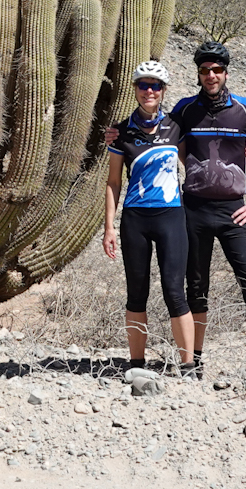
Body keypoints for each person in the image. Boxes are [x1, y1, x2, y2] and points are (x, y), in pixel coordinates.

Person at [169, 40, 246, 382]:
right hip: (194, 211)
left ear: (226, 72)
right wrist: (118, 132)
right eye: (204, 70)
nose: (210, 75)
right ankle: (194, 364)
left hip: (235, 212)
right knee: (196, 287)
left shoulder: (245, 109)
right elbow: (160, 136)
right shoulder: (186, 109)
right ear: (199, 74)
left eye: (216, 70)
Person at [101, 59, 198, 376]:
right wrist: (109, 228)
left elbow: (194, 163)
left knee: (175, 292)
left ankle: (188, 367)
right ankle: (137, 365)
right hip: (135, 220)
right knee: (136, 293)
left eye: (155, 86)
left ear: (163, 90)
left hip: (171, 217)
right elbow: (113, 182)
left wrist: (236, 153)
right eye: (143, 85)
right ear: (135, 90)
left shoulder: (175, 127)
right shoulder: (121, 131)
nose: (149, 91)